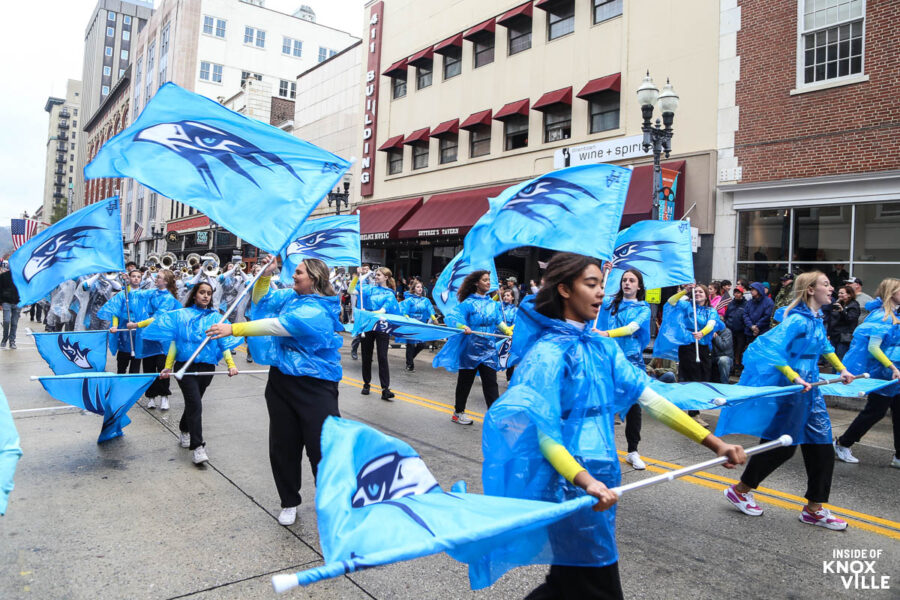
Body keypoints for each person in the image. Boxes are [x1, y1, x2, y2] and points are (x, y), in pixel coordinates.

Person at [482, 252, 745, 599]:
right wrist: (585, 480)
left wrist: (714, 442)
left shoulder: (604, 348)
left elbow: (651, 399)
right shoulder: (546, 353)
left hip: (604, 475)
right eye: (591, 285)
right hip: (570, 481)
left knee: (570, 582)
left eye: (602, 286)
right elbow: (546, 434)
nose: (600, 293)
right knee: (596, 582)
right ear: (563, 289)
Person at [207, 255, 343, 525]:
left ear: (314, 279)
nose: (294, 275)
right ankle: (289, 501)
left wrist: (232, 328)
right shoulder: (291, 297)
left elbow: (278, 325)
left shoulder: (317, 310)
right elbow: (262, 301)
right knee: (283, 445)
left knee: (322, 448)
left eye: (300, 273)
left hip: (315, 387)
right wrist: (267, 274)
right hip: (282, 381)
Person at [719, 271, 855, 530]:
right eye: (826, 284)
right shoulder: (796, 321)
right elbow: (771, 350)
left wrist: (842, 370)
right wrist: (794, 377)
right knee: (782, 445)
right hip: (793, 390)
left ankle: (814, 508)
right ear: (811, 290)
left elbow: (825, 347)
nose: (832, 288)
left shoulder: (815, 319)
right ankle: (740, 490)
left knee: (822, 446)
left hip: (811, 391)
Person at [141, 281, 241, 465]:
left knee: (194, 403)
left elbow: (223, 343)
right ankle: (198, 447)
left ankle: (184, 428)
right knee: (195, 403)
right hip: (184, 366)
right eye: (202, 292)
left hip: (206, 368)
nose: (205, 296)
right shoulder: (182, 315)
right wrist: (168, 366)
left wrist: (231, 364)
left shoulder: (216, 318)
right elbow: (174, 343)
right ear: (194, 295)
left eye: (209, 293)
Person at [833, 278, 900, 468]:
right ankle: (843, 443)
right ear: (891, 293)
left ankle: (899, 456)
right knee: (875, 412)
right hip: (885, 374)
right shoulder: (882, 316)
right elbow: (874, 348)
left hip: (894, 373)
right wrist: (893, 368)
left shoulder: (894, 315)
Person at [434, 270, 512, 424]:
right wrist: (462, 325)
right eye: (485, 280)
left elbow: (498, 321)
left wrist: (507, 330)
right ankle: (458, 412)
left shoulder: (492, 304)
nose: (488, 282)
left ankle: (494, 417)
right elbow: (453, 317)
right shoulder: (468, 303)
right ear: (476, 283)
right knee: (465, 382)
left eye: (489, 280)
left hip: (489, 349)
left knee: (491, 383)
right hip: (470, 349)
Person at [596, 268, 652, 470]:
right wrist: (604, 273)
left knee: (634, 409)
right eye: (624, 280)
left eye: (631, 280)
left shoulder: (644, 309)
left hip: (632, 363)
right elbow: (595, 297)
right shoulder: (611, 303)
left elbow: (630, 329)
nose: (627, 283)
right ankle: (602, 449)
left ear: (639, 286)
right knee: (603, 404)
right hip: (609, 361)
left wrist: (605, 334)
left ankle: (633, 451)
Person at [125, 269, 182, 410]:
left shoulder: (168, 298)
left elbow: (157, 318)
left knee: (163, 367)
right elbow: (134, 294)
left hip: (163, 339)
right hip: (149, 337)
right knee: (149, 368)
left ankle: (164, 396)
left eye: (159, 277)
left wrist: (137, 325)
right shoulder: (152, 292)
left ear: (166, 282)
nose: (156, 279)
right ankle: (150, 396)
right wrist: (126, 282)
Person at [357, 267, 401, 400]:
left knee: (382, 356)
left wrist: (367, 313)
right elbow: (351, 289)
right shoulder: (369, 289)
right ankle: (366, 384)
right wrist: (361, 275)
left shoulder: (389, 294)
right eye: (375, 275)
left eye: (378, 275)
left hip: (382, 327)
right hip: (368, 326)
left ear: (386, 277)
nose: (376, 277)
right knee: (366, 355)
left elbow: (382, 311)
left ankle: (385, 389)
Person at [98, 269, 145, 373]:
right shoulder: (122, 295)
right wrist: (115, 326)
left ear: (141, 279)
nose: (136, 278)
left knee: (135, 370)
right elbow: (115, 312)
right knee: (121, 367)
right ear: (129, 278)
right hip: (124, 336)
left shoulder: (144, 295)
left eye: (138, 277)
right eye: (133, 276)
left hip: (137, 335)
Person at [399, 280, 437, 372]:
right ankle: (410, 365)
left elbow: (430, 310)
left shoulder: (426, 300)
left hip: (421, 326)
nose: (420, 289)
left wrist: (434, 319)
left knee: (422, 344)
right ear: (413, 289)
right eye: (418, 287)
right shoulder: (409, 300)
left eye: (421, 287)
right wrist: (408, 320)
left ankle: (410, 359)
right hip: (411, 326)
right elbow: (405, 311)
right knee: (411, 345)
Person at [826, 285, 860, 360]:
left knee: (840, 357)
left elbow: (851, 319)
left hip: (844, 336)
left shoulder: (854, 305)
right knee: (832, 358)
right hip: (834, 335)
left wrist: (842, 311)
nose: (839, 295)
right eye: (839, 293)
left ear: (849, 295)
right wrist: (828, 333)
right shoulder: (837, 304)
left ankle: (839, 372)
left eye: (842, 293)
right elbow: (831, 319)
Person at [349, 264, 373, 360]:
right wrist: (356, 277)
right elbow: (350, 290)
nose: (366, 270)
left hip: (371, 313)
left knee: (370, 335)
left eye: (368, 269)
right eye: (364, 269)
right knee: (359, 335)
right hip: (361, 313)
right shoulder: (360, 284)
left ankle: (368, 354)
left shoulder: (372, 284)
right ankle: (354, 349)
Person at [724, 287, 747, 371]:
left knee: (739, 348)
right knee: (731, 348)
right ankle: (732, 365)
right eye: (735, 293)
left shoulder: (746, 304)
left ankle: (738, 365)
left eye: (738, 293)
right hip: (730, 329)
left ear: (741, 294)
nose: (736, 294)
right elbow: (726, 315)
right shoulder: (731, 303)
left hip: (741, 330)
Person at [0, 261, 21, 349]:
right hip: (6, 302)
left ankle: (12, 341)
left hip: (17, 302)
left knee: (14, 323)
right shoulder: (3, 277)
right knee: (6, 321)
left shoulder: (20, 278)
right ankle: (5, 339)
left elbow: (24, 289)